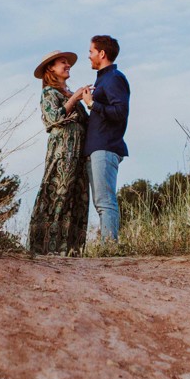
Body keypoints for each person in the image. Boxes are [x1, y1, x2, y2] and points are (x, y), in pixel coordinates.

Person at [28, 50, 91, 255]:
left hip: (79, 153)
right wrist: (74, 98)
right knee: (57, 194)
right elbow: (52, 118)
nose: (68, 65)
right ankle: (47, 247)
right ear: (51, 68)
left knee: (76, 196)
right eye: (63, 62)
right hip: (62, 151)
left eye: (67, 62)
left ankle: (71, 248)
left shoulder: (67, 94)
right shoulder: (49, 93)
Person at [80, 35, 129, 242]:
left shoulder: (114, 78)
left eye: (91, 52)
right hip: (96, 149)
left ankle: (109, 249)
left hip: (106, 147)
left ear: (102, 53)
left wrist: (91, 104)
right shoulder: (103, 80)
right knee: (101, 202)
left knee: (105, 202)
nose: (88, 56)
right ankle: (107, 248)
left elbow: (120, 112)